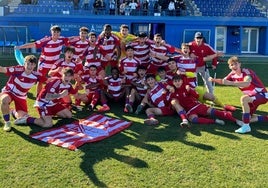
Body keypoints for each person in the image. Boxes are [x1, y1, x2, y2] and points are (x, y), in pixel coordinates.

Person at [209, 56, 268, 133]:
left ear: (240, 64)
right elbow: (224, 81)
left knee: (244, 99)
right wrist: (213, 79)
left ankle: (246, 127)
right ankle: (265, 118)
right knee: (247, 119)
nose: (234, 66)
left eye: (236, 64)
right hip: (251, 97)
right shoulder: (232, 74)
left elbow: (247, 83)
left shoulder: (246, 72)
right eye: (232, 65)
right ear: (229, 67)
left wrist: (232, 83)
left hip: (262, 95)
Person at [14, 68, 78, 128]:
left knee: (69, 115)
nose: (67, 78)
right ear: (62, 75)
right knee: (48, 124)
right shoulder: (56, 82)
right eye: (65, 75)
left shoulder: (69, 85)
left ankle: (50, 114)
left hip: (54, 104)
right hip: (43, 103)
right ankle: (27, 119)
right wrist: (60, 95)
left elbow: (76, 95)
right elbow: (48, 97)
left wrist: (79, 83)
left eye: (69, 76)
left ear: (72, 77)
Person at [15, 25, 69, 94]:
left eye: (58, 32)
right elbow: (33, 44)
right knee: (40, 80)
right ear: (51, 32)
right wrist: (20, 47)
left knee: (58, 80)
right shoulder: (45, 40)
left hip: (55, 64)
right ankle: (38, 96)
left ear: (60, 33)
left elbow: (70, 39)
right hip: (44, 63)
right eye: (54, 32)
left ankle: (55, 96)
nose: (56, 33)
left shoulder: (62, 39)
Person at [169, 75, 241, 126]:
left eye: (179, 81)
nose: (177, 83)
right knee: (193, 120)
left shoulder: (186, 88)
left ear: (181, 81)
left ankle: (236, 120)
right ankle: (214, 121)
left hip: (196, 106)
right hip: (189, 111)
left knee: (213, 112)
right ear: (173, 83)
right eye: (175, 81)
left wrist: (190, 90)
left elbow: (196, 96)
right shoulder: (172, 92)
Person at [0, 55, 45, 131]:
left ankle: (12, 111)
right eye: (28, 63)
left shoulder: (37, 75)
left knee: (22, 117)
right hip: (10, 91)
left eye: (32, 64)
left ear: (35, 65)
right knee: (4, 100)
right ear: (24, 63)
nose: (30, 66)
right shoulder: (17, 69)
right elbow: (2, 69)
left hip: (21, 96)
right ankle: (7, 122)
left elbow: (48, 81)